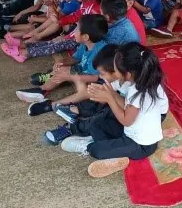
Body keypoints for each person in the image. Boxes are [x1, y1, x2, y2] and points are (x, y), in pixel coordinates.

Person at [60, 43, 168, 179]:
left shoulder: (139, 91)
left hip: (140, 145)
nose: (115, 72)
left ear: (128, 74)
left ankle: (90, 146)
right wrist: (110, 92)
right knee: (98, 124)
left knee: (96, 150)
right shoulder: (141, 83)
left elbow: (126, 121)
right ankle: (113, 153)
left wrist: (110, 99)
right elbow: (126, 105)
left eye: (116, 70)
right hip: (130, 133)